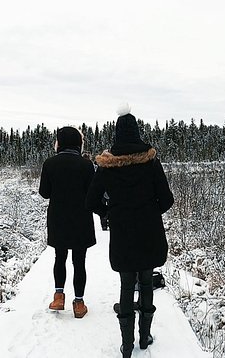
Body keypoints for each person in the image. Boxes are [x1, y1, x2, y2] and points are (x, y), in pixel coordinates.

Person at [86, 105, 174, 357]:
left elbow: (90, 201)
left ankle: (126, 346)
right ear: (137, 132)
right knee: (146, 281)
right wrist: (149, 211)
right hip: (149, 232)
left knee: (126, 284)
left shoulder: (108, 166)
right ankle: (144, 338)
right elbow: (166, 200)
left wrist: (109, 212)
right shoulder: (151, 162)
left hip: (122, 233)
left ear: (116, 135)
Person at [39, 126, 96, 319]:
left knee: (59, 257)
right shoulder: (86, 165)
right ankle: (79, 303)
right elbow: (92, 194)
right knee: (79, 262)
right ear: (78, 143)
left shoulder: (49, 163)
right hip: (81, 218)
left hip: (58, 218)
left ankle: (58, 296)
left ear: (60, 142)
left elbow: (44, 193)